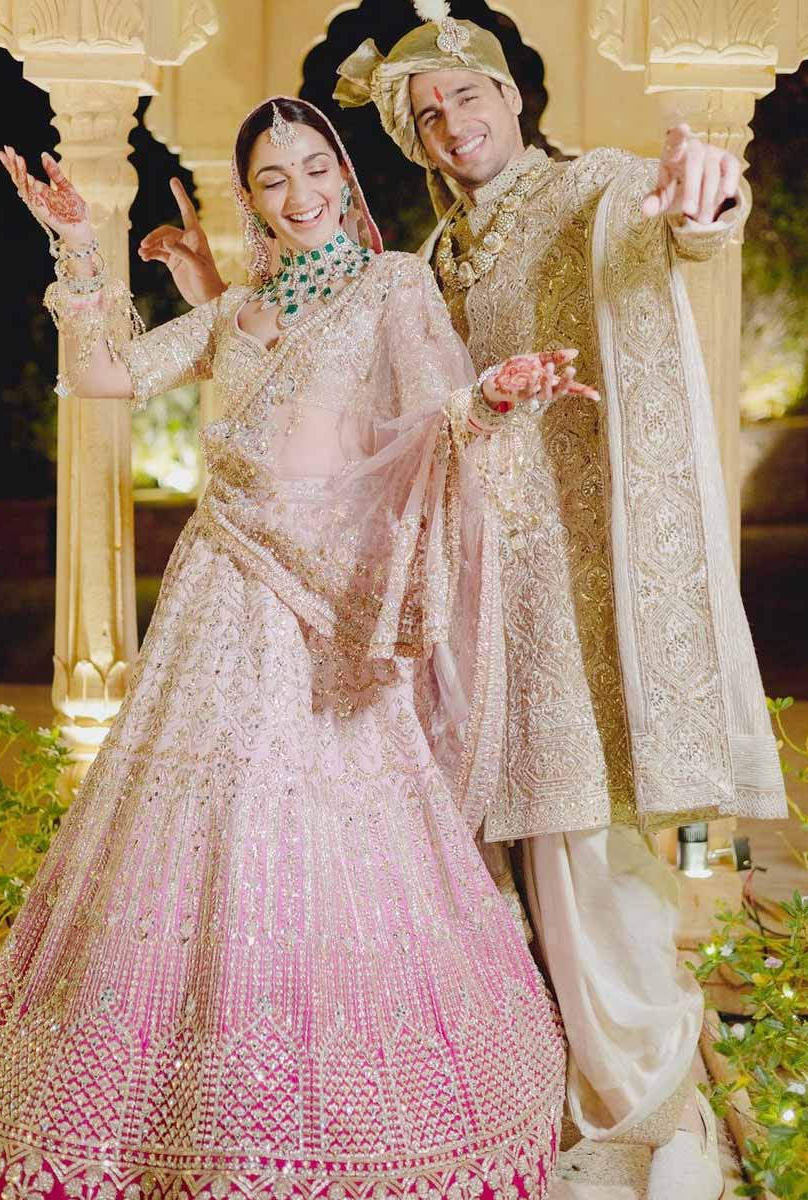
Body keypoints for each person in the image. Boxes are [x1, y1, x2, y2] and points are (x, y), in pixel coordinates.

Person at [0, 97, 579, 1200]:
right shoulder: (235, 313)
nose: (300, 193)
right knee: (202, 822)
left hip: (328, 611)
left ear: (344, 176)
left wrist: (489, 397)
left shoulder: (392, 287)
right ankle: (168, 1115)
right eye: (273, 178)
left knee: (319, 826)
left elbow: (431, 417)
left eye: (315, 167)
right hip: (218, 599)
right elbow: (105, 375)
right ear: (251, 198)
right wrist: (77, 245)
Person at [330, 5, 787, 1198]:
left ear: (512, 97)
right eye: (427, 113)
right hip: (482, 597)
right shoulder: (437, 259)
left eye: (468, 96)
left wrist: (702, 201)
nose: (453, 122)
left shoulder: (593, 188)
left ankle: (648, 1114)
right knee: (499, 855)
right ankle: (543, 1102)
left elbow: (674, 220)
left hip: (588, 594)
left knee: (590, 846)